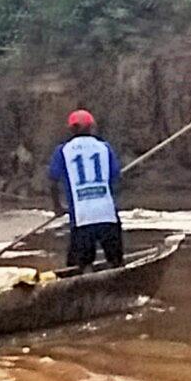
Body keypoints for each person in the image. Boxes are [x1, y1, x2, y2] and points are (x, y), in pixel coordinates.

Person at [49, 108, 125, 270]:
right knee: (116, 261)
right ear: (92, 127)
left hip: (82, 217)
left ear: (71, 129)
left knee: (78, 265)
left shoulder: (62, 151)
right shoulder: (105, 147)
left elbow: (53, 181)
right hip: (107, 214)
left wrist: (57, 206)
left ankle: (77, 286)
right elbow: (116, 177)